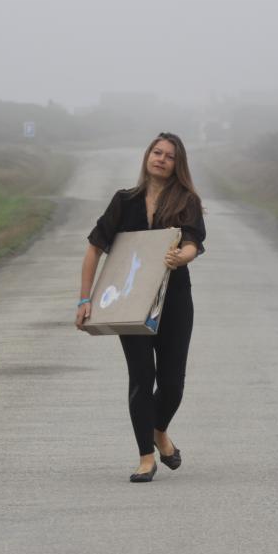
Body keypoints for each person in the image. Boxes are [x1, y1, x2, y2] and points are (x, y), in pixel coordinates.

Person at [76, 133, 207, 483]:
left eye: (169, 156)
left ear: (178, 165)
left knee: (172, 383)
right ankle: (145, 458)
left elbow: (193, 242)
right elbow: (94, 248)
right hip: (129, 300)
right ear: (147, 156)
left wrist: (182, 256)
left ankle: (158, 430)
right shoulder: (124, 201)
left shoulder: (187, 201)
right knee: (141, 377)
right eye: (156, 152)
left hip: (175, 299)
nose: (161, 159)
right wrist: (85, 300)